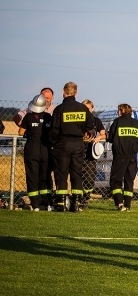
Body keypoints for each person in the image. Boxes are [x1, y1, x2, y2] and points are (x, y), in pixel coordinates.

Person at [49, 82, 91, 212]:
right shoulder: (83, 109)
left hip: (62, 143)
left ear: (64, 92)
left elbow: (54, 130)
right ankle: (76, 204)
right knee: (76, 172)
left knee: (61, 172)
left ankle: (61, 203)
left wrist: (52, 142)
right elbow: (90, 127)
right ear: (76, 93)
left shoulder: (59, 109)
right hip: (78, 143)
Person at [106, 104, 138, 212]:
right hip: (132, 157)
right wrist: (134, 150)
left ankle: (119, 203)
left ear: (121, 111)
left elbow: (110, 137)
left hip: (120, 156)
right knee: (129, 181)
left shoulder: (117, 122)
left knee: (115, 180)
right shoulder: (136, 124)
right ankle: (127, 205)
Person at [17, 94, 52, 211]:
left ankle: (35, 203)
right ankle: (46, 202)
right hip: (46, 149)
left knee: (32, 176)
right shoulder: (48, 117)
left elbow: (20, 132)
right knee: (45, 176)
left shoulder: (28, 117)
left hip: (32, 149)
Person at [79, 99, 106, 209]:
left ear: (92, 109)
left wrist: (99, 137)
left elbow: (104, 134)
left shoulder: (96, 121)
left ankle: (86, 198)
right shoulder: (79, 120)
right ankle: (77, 198)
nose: (86, 110)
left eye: (88, 108)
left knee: (89, 178)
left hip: (90, 153)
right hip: (78, 152)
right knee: (78, 177)